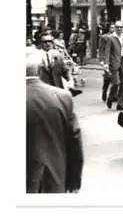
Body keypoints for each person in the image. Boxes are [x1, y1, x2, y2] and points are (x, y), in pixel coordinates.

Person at [26, 48, 83, 193]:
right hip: (53, 177)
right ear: (39, 69)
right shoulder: (63, 97)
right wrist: (74, 181)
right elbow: (74, 141)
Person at [103, 21, 123, 111]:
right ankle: (110, 97)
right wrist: (106, 63)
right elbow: (107, 51)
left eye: (121, 27)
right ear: (114, 28)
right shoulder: (111, 38)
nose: (119, 29)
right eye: (117, 27)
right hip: (114, 62)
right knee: (116, 83)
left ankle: (120, 104)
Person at [99, 23, 114, 103]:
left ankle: (113, 95)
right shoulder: (104, 37)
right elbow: (101, 49)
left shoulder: (118, 37)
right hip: (106, 59)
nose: (113, 28)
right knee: (108, 77)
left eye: (114, 27)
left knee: (116, 78)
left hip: (115, 59)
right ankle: (104, 90)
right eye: (112, 27)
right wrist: (101, 60)